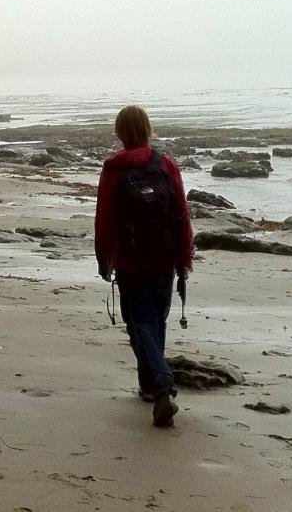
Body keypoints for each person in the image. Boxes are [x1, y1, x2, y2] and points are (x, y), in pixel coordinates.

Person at [94, 105, 193, 427]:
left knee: (140, 324)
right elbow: (181, 211)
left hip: (131, 258)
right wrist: (184, 256)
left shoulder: (114, 167)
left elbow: (105, 217)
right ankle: (149, 388)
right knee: (156, 321)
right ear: (148, 129)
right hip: (164, 256)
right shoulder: (165, 163)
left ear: (119, 132)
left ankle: (161, 381)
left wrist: (103, 256)